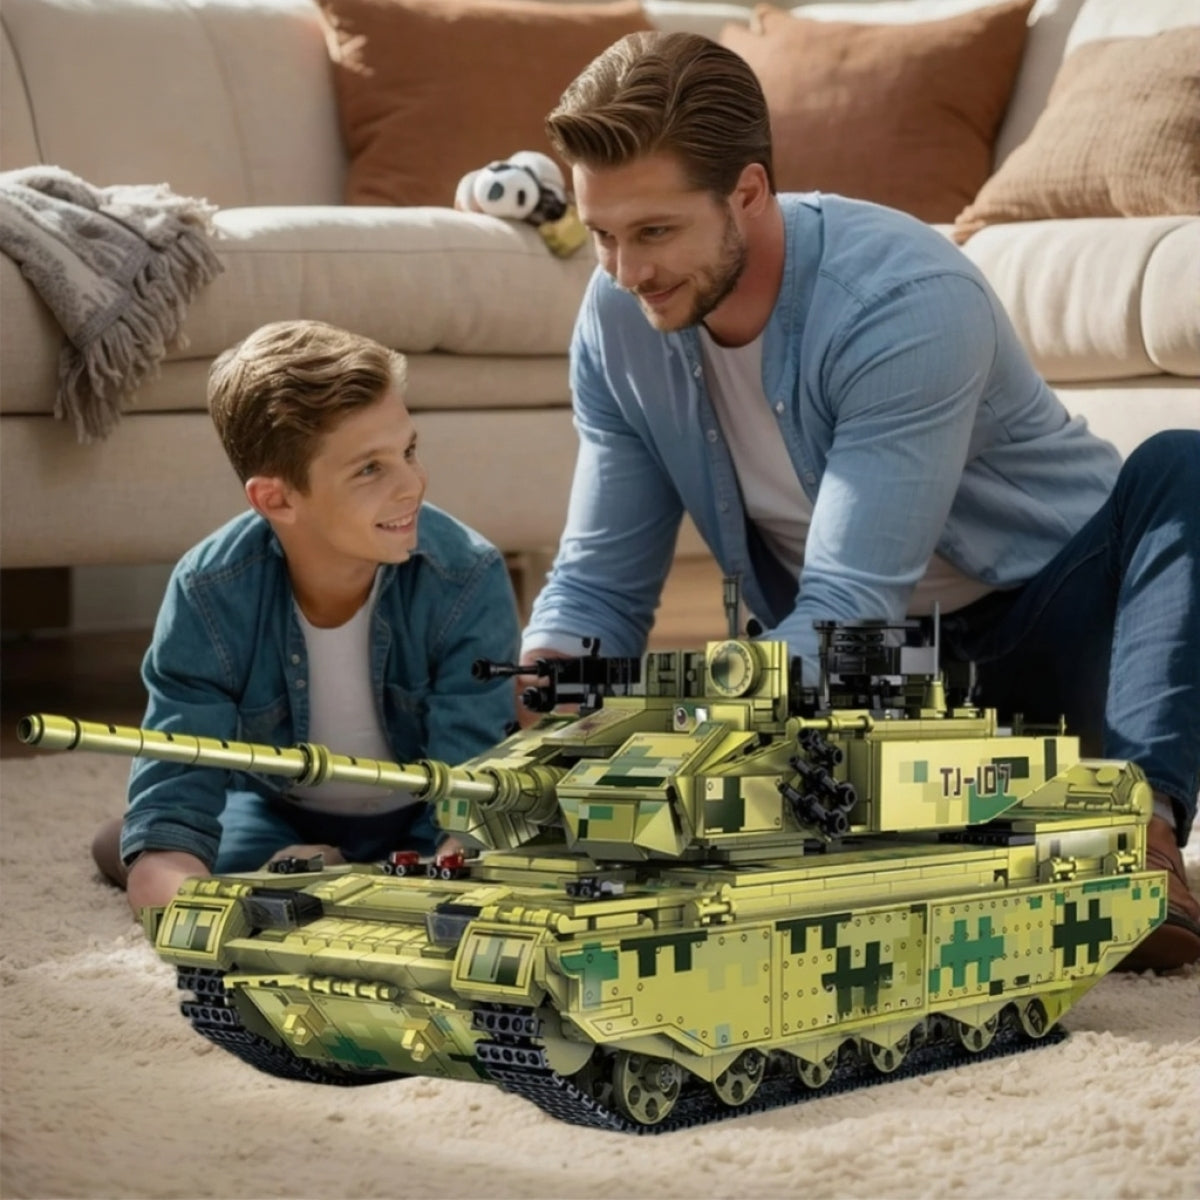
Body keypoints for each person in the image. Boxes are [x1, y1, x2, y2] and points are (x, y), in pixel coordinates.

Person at [519, 32, 1200, 970]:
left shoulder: (902, 297)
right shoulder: (619, 323)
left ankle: (1142, 841)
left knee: (1184, 466)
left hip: (1053, 632)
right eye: (602, 234)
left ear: (749, 193)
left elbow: (848, 606)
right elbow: (597, 586)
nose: (626, 272)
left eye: (654, 232)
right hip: (887, 674)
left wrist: (679, 719)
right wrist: (549, 695)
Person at [92, 319, 519, 914]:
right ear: (276, 499)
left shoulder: (465, 575)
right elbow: (174, 797)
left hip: (425, 820)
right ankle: (312, 871)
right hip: (278, 812)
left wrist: (443, 874)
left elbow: (472, 793)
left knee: (528, 849)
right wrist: (171, 872)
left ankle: (331, 879)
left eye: (409, 451)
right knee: (134, 847)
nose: (412, 484)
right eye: (370, 468)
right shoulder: (209, 590)